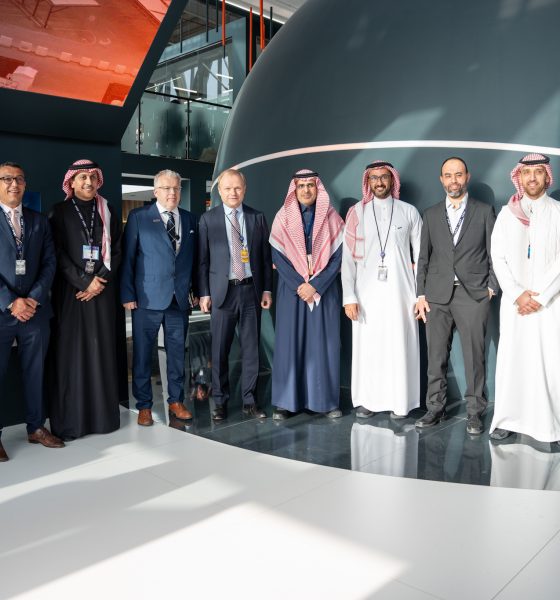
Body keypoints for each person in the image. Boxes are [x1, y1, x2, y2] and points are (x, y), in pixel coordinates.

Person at [415, 157, 498, 435]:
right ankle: (435, 408)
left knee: (475, 357)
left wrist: (491, 287)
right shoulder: (430, 214)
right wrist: (420, 294)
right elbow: (423, 258)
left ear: (467, 177)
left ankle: (474, 412)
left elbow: (494, 253)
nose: (454, 180)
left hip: (473, 295)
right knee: (435, 356)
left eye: (458, 174)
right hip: (436, 296)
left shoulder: (484, 211)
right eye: (448, 175)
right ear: (442, 179)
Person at [48, 159, 122, 440]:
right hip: (72, 294)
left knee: (101, 352)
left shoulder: (108, 211)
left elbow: (117, 250)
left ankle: (103, 419)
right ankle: (73, 422)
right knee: (73, 354)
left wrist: (98, 281)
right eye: (82, 177)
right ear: (71, 182)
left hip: (102, 293)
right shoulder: (59, 212)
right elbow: (56, 254)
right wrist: (83, 281)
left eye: (92, 177)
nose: (88, 182)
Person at [342, 160, 422, 419]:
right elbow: (348, 259)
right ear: (368, 182)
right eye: (374, 178)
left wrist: (420, 295)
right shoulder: (357, 213)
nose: (379, 182)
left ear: (392, 180)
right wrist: (349, 296)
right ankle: (368, 400)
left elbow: (421, 257)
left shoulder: (409, 212)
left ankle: (401, 402)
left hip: (402, 293)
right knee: (370, 348)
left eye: (384, 177)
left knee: (398, 346)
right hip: (366, 295)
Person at [490, 153, 560, 444]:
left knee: (550, 362)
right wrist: (518, 294)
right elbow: (498, 257)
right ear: (519, 177)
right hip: (515, 305)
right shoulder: (507, 214)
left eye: (538, 172)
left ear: (547, 176)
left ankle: (553, 424)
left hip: (550, 305)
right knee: (513, 361)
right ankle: (508, 420)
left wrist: (541, 296)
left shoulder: (558, 212)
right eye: (527, 173)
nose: (532, 178)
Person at [121, 169, 198, 426]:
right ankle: (144, 405)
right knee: (143, 354)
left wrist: (196, 291)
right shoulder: (139, 218)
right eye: (166, 188)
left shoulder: (189, 219)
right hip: (146, 299)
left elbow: (195, 260)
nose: (172, 193)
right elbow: (128, 259)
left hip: (179, 300)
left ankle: (175, 401)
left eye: (176, 188)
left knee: (177, 354)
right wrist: (128, 294)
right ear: (155, 191)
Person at [0, 161, 63, 461]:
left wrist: (34, 299)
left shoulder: (39, 221)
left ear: (25, 184)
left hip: (35, 313)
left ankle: (36, 427)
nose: (14, 184)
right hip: (2, 312)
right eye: (7, 179)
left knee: (35, 372)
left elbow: (50, 263)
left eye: (20, 179)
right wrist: (11, 301)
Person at [198, 168, 273, 421]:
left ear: (244, 189)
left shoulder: (256, 217)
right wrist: (204, 293)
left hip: (251, 291)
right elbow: (202, 261)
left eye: (237, 187)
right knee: (220, 350)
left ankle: (250, 401)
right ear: (220, 191)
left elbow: (265, 258)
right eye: (228, 188)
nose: (233, 192)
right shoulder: (208, 220)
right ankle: (220, 401)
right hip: (222, 293)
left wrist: (266, 289)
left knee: (251, 350)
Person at [269, 169, 344, 419]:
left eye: (310, 185)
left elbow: (338, 257)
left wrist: (316, 285)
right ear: (294, 189)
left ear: (317, 187)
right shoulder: (282, 217)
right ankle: (286, 402)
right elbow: (277, 256)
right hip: (292, 290)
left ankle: (326, 401)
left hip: (324, 290)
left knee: (324, 346)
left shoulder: (332, 217)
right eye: (301, 186)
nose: (306, 190)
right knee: (289, 345)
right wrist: (300, 285)